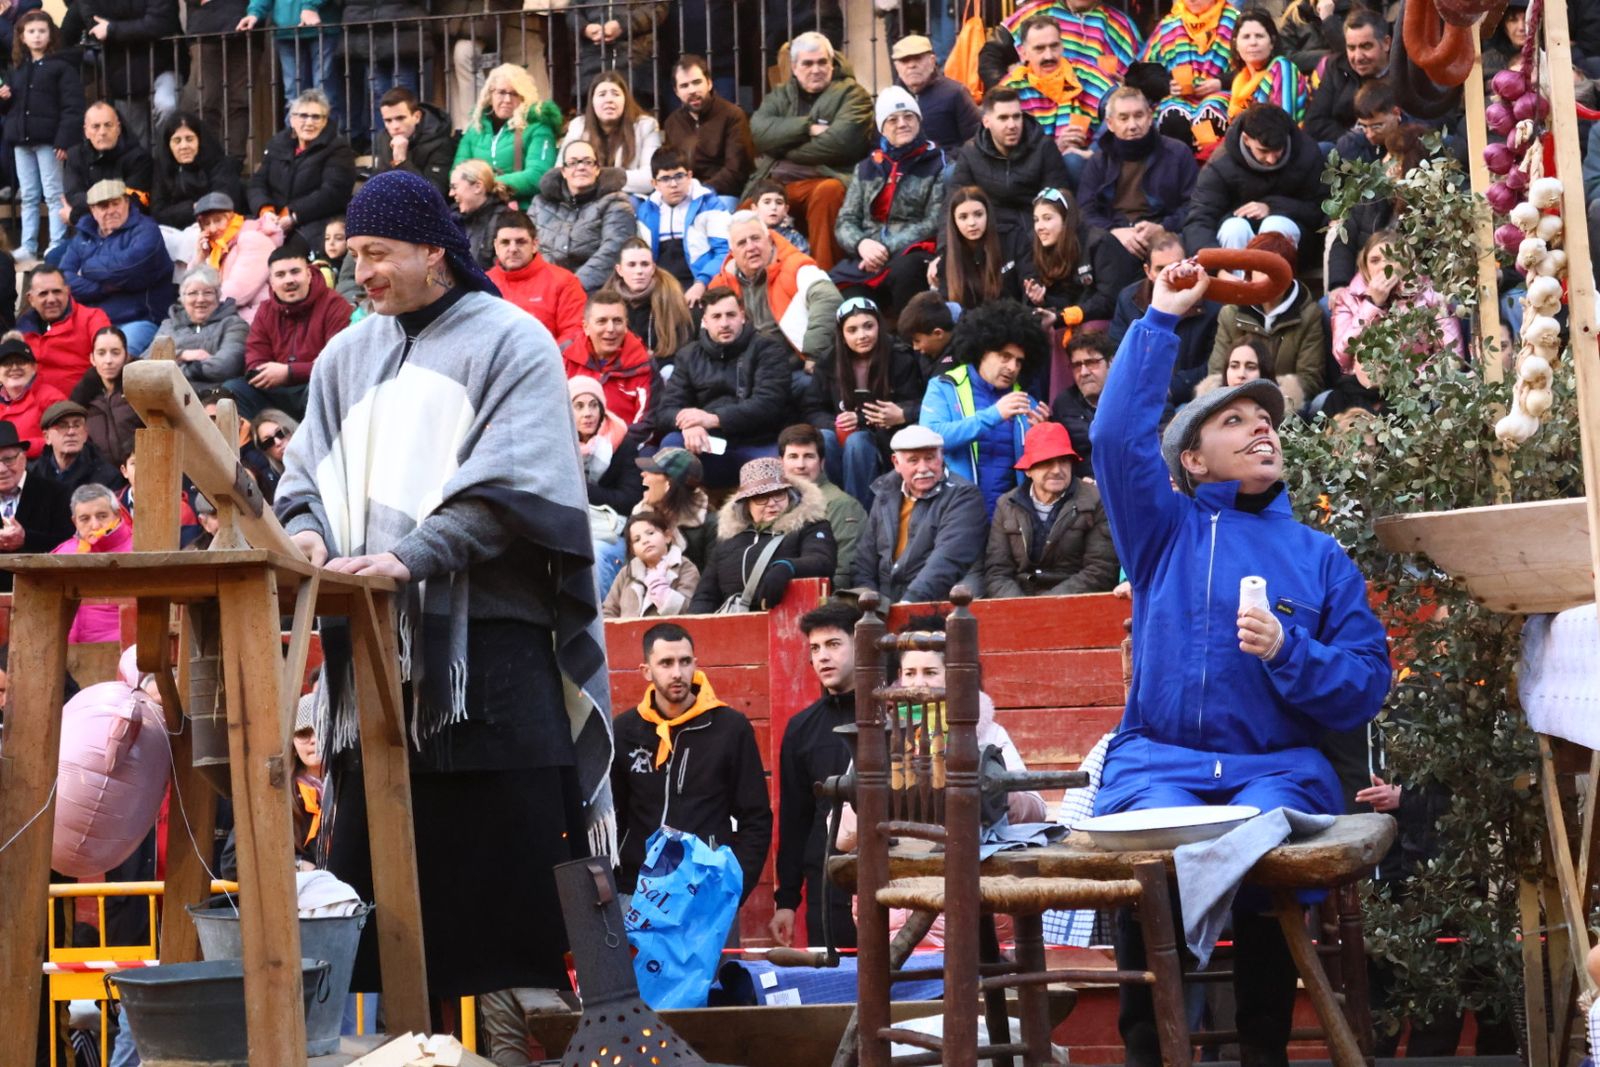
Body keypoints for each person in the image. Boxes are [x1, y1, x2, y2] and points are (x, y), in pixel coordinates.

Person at [273, 169, 616, 1003]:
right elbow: (302, 475)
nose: (363, 273)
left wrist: (411, 555)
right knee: (376, 928)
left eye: (379, 253)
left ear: (436, 251)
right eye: (354, 255)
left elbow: (516, 483)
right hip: (371, 676)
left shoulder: (513, 339)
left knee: (514, 933)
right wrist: (308, 533)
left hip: (491, 674)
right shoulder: (344, 355)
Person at [1088, 258, 1390, 1067]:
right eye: (1233, 420)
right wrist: (1159, 319)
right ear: (1192, 460)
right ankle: (1148, 1052)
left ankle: (1265, 1053)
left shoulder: (1320, 555)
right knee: (1142, 859)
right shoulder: (1163, 530)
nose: (1261, 425)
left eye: (1266, 417)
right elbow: (1115, 436)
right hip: (1159, 763)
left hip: (1275, 771)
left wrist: (1292, 653)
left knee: (1262, 847)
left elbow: (1366, 683)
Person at [612, 624, 771, 906]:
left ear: (695, 664)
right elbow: (613, 816)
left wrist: (733, 889)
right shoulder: (623, 731)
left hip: (706, 893)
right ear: (646, 671)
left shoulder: (730, 728)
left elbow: (755, 817)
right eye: (666, 663)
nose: (677, 673)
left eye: (685, 662)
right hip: (635, 891)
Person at [770, 600, 863, 949]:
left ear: (861, 643)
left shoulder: (892, 714)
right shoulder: (801, 729)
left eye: (834, 645)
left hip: (892, 880)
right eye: (815, 648)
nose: (822, 657)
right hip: (827, 885)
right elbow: (795, 819)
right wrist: (787, 901)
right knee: (835, 990)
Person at [745, 31, 874, 271]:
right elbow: (760, 133)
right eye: (807, 63)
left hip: (827, 177)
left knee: (828, 193)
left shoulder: (853, 95)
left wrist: (783, 147)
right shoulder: (781, 95)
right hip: (777, 182)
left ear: (832, 64)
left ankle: (823, 279)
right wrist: (806, 127)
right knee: (744, 212)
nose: (816, 69)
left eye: (822, 62)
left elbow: (842, 143)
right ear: (794, 67)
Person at [920, 299, 1051, 514]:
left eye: (1019, 361)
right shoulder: (944, 386)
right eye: (1005, 357)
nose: (1012, 367)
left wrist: (1042, 434)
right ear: (982, 351)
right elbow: (930, 439)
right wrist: (994, 414)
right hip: (956, 513)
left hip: (1010, 518)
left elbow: (1041, 468)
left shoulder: (1025, 400)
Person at [654, 286, 792, 485]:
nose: (725, 323)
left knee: (775, 469)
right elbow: (666, 411)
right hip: (708, 445)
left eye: (731, 315)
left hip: (758, 442)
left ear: (742, 316)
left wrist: (713, 419)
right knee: (672, 446)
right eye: (716, 317)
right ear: (704, 321)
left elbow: (769, 405)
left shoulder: (768, 349)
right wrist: (688, 425)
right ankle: (682, 514)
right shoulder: (689, 355)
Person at [830, 87, 946, 316]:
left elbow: (933, 221)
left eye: (909, 116)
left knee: (907, 271)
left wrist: (884, 248)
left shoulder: (937, 162)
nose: (902, 123)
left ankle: (910, 341)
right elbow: (845, 220)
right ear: (882, 128)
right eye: (892, 120)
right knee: (847, 299)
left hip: (912, 250)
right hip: (867, 256)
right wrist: (862, 245)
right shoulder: (866, 167)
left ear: (919, 120)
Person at [804, 296, 925, 508]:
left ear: (880, 325)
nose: (862, 335)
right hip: (841, 434)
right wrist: (837, 423)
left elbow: (917, 402)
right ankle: (832, 509)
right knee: (824, 437)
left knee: (857, 442)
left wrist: (896, 414)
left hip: (884, 438)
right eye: (852, 330)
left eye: (868, 326)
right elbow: (813, 407)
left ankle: (858, 513)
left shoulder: (900, 356)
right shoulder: (829, 361)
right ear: (841, 335)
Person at [854, 424, 988, 603]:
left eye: (930, 458)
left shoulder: (964, 495)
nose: (923, 468)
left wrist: (908, 602)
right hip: (883, 605)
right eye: (913, 460)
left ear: (942, 457)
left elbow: (946, 560)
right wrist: (869, 602)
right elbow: (865, 558)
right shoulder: (885, 492)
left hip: (936, 602)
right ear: (896, 463)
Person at [984, 419, 1117, 597]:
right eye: (1046, 462)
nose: (1056, 470)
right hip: (1018, 604)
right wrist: (1020, 608)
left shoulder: (1096, 500)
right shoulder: (1006, 505)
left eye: (1063, 461)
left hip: (1076, 603)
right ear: (1028, 470)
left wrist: (1047, 605)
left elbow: (1100, 570)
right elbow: (997, 572)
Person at [689, 457, 836, 612]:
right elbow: (705, 595)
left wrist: (787, 567)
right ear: (746, 505)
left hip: (791, 620)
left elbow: (822, 561)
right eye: (761, 497)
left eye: (778, 493)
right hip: (736, 626)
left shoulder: (811, 526)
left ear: (789, 495)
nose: (771, 503)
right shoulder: (728, 540)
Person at [1077, 87, 1199, 273]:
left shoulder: (1178, 153)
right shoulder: (1099, 161)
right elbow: (1084, 211)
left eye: (1138, 115)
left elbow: (1194, 204)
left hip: (1165, 233)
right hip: (1116, 234)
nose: (1133, 125)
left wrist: (1162, 227)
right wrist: (1114, 232)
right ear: (1110, 123)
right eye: (1124, 118)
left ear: (1150, 117)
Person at [227, 243, 353, 419]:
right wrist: (265, 372)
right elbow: (255, 357)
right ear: (271, 281)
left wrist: (289, 373)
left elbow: (336, 364)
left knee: (323, 388)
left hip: (314, 385)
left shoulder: (335, 305)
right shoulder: (265, 310)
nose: (289, 280)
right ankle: (263, 443)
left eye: (295, 272)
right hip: (276, 391)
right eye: (280, 275)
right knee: (231, 392)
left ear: (308, 274)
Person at [1182, 103, 1326, 253]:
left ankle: (1274, 276)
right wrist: (1216, 268)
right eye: (1263, 151)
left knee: (1275, 226)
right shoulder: (1220, 164)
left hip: (1294, 233)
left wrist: (1272, 207)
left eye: (1277, 150)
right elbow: (1200, 220)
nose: (1271, 160)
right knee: (1234, 228)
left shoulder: (1307, 153)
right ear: (1246, 139)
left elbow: (1320, 209)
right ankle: (1231, 275)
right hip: (1234, 231)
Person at [1, 11, 84, 266]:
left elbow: (72, 107)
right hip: (22, 141)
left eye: (42, 31)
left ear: (51, 35)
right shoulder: (18, 70)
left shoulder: (61, 67)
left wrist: (63, 140)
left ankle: (56, 242)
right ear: (22, 37)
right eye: (31, 32)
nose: (37, 36)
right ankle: (28, 245)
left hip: (49, 141)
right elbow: (12, 109)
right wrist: (4, 98)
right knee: (28, 194)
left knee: (53, 193)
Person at [60, 178, 176, 356]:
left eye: (116, 203)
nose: (111, 211)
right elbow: (64, 280)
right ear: (92, 210)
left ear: (127, 202)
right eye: (103, 206)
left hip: (138, 319)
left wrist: (87, 269)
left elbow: (129, 268)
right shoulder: (83, 235)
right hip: (91, 321)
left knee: (114, 362)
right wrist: (103, 287)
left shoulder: (146, 230)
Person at [1206, 232, 1330, 398]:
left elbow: (1310, 379)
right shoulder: (1231, 313)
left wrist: (1267, 396)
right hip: (1233, 399)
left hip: (1286, 403)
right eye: (1262, 269)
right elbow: (1217, 372)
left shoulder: (1309, 314)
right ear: (1249, 272)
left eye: (1276, 270)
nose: (1271, 277)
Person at [710, 211, 843, 363]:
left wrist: (814, 354)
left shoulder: (796, 266)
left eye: (755, 238)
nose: (751, 247)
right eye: (742, 243)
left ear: (769, 239)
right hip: (746, 371)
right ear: (732, 252)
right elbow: (706, 331)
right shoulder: (721, 284)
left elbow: (829, 299)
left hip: (796, 367)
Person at [1108, 231, 1220, 407]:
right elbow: (1117, 352)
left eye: (1175, 265)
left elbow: (1215, 365)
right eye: (1161, 269)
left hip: (1191, 398)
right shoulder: (1129, 299)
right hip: (1139, 395)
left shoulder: (1212, 304)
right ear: (1148, 271)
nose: (1170, 274)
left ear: (1189, 263)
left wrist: (1171, 388)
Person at [948, 88, 1072, 248]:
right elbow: (952, 204)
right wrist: (943, 251)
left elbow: (1057, 201)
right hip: (992, 233)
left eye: (1016, 116)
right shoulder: (971, 152)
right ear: (987, 122)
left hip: (1035, 230)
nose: (1012, 125)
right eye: (1003, 118)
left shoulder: (1043, 147)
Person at [1330, 229, 1463, 373]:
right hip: (1363, 385)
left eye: (1392, 258)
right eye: (1375, 261)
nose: (1383, 266)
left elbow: (1454, 358)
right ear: (1365, 267)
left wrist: (1408, 377)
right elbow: (1342, 357)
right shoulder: (1347, 298)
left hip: (1419, 385)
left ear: (1406, 264)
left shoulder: (1431, 294)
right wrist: (1372, 305)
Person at [247, 89, 357, 253]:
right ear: (292, 120)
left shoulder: (338, 148)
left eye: (316, 117)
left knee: (285, 253)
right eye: (303, 116)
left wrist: (293, 214)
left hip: (315, 221)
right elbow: (257, 183)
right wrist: (265, 210)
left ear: (325, 121)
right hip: (274, 218)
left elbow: (333, 192)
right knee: (245, 242)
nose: (309, 122)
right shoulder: (278, 144)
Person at [997, 15, 1107, 179]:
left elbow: (1120, 106)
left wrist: (1094, 149)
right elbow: (998, 146)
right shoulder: (1011, 88)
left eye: (1054, 46)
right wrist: (1053, 147)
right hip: (1026, 171)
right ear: (1023, 53)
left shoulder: (1085, 74)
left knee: (1073, 161)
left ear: (1062, 46)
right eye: (1040, 48)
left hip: (1082, 167)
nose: (1049, 56)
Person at [453, 63, 565, 208]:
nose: (507, 100)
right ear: (490, 94)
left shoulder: (538, 127)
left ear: (524, 97)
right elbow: (457, 172)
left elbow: (539, 175)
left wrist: (488, 186)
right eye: (501, 92)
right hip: (478, 211)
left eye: (514, 93)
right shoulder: (475, 129)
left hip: (521, 212)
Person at [532, 140, 638, 292]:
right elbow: (530, 248)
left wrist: (571, 287)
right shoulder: (540, 203)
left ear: (597, 169)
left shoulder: (616, 202)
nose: (581, 167)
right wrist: (547, 284)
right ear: (563, 171)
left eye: (588, 162)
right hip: (544, 287)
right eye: (573, 162)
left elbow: (613, 250)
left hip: (595, 291)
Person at [570, 373, 643, 594]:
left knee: (597, 554)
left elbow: (629, 499)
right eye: (579, 406)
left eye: (593, 405)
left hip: (610, 532)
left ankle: (601, 623)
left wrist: (584, 490)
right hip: (569, 527)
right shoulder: (557, 444)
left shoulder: (622, 442)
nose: (587, 414)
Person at [1016, 187, 1126, 332]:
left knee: (1085, 331)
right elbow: (1068, 300)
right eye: (1036, 220)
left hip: (1113, 319)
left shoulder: (1099, 242)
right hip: (1075, 316)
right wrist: (1042, 300)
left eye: (1047, 218)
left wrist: (1063, 317)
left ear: (1066, 219)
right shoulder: (1040, 248)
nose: (1039, 227)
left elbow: (1108, 300)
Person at [632, 145, 730, 302]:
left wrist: (701, 283)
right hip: (660, 286)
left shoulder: (709, 204)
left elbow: (725, 251)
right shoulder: (645, 211)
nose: (673, 184)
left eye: (679, 176)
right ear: (654, 183)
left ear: (689, 176)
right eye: (665, 179)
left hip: (700, 282)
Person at [1138, 0, 1239, 148]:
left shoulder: (1235, 22)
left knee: (1209, 114)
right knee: (1174, 117)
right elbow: (1144, 71)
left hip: (1222, 96)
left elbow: (1254, 68)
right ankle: (1180, 165)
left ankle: (1208, 164)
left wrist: (1221, 82)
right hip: (1178, 98)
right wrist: (1166, 85)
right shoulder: (1169, 24)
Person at [778, 422, 866, 592]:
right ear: (781, 462)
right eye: (793, 456)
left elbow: (845, 572)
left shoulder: (842, 505)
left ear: (822, 462)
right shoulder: (772, 503)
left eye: (809, 456)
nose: (800, 465)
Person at [662, 54, 756, 200]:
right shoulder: (672, 123)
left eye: (697, 82)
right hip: (684, 196)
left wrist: (700, 191)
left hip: (723, 194)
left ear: (709, 83)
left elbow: (736, 171)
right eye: (684, 86)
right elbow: (671, 168)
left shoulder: (733, 115)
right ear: (676, 92)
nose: (692, 90)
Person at [487, 212, 587, 346]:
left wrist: (544, 360)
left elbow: (575, 332)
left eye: (520, 242)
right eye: (505, 242)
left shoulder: (564, 281)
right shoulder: (483, 284)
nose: (513, 249)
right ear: (496, 247)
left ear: (535, 245)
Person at [236, 0, 339, 129]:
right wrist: (254, 13)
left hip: (319, 27)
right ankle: (294, 141)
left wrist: (310, 6)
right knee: (294, 94)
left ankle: (327, 141)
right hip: (288, 32)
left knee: (322, 91)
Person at [52, 482, 134, 643]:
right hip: (64, 650)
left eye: (102, 516)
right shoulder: (62, 554)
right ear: (75, 522)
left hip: (121, 650)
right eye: (85, 519)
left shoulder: (138, 549)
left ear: (117, 514)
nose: (95, 525)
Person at [561, 72, 664, 198]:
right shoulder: (578, 127)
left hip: (628, 199)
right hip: (586, 198)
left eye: (615, 94)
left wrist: (595, 178)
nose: (609, 99)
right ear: (592, 101)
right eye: (602, 94)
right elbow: (560, 171)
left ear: (625, 99)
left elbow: (650, 178)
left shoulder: (646, 126)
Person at [188, 192, 284, 323]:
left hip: (254, 320)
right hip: (227, 317)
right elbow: (189, 288)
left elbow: (237, 292)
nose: (213, 228)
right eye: (206, 223)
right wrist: (200, 259)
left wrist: (200, 305)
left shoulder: (252, 237)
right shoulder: (216, 249)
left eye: (218, 220)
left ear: (231, 218)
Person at [563, 289, 654, 426]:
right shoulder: (564, 358)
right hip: (571, 444)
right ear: (586, 327)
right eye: (602, 321)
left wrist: (610, 445)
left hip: (627, 444)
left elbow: (647, 423)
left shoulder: (644, 364)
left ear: (625, 326)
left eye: (617, 321)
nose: (611, 329)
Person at [18, 267, 113, 397]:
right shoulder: (20, 331)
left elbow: (109, 354)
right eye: (43, 294)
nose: (51, 299)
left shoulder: (92, 318)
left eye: (57, 292)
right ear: (31, 299)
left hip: (80, 408)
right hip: (30, 408)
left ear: (67, 291)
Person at [61, 100, 153, 233]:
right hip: (89, 234)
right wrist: (108, 203)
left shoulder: (139, 159)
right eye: (96, 126)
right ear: (86, 131)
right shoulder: (75, 156)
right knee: (53, 255)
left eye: (108, 125)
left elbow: (130, 207)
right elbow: (74, 196)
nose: (102, 132)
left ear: (118, 128)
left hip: (129, 234)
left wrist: (74, 216)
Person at [1304, 9, 1392, 145]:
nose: (1358, 57)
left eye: (1366, 46)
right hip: (1344, 149)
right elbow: (1314, 122)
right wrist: (1356, 139)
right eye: (1351, 48)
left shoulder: (1403, 72)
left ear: (1386, 43)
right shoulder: (1336, 67)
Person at [154, 267, 251, 387]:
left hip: (211, 395)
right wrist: (182, 354)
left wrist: (171, 367)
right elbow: (147, 362)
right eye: (193, 293)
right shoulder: (169, 325)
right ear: (182, 299)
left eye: (208, 293)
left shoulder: (234, 325)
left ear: (217, 296)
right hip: (168, 393)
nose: (200, 299)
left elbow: (225, 366)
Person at [932, 186, 1022, 312]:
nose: (972, 223)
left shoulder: (1013, 239)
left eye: (978, 214)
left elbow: (1027, 282)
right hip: (968, 327)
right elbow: (948, 307)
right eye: (963, 217)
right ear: (954, 222)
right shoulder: (948, 258)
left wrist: (1036, 294)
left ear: (988, 214)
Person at [888, 34, 981, 152]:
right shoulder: (891, 99)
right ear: (897, 67)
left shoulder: (955, 93)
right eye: (905, 60)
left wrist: (949, 162)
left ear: (932, 61)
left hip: (948, 166)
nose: (911, 65)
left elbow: (976, 140)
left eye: (918, 58)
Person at [151, 112, 245, 230]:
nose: (184, 146)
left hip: (215, 229)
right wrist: (192, 208)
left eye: (189, 139)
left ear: (200, 140)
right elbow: (158, 213)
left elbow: (223, 203)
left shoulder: (221, 165)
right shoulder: (163, 169)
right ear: (168, 145)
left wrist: (197, 208)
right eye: (177, 141)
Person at [602, 510, 701, 619]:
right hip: (627, 634)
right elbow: (609, 611)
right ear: (633, 550)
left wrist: (662, 593)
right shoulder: (626, 573)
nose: (645, 541)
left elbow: (690, 609)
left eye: (650, 533)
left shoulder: (685, 567)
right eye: (637, 539)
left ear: (667, 536)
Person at [633, 446, 715, 573]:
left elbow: (711, 582)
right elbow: (629, 576)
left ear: (669, 484)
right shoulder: (640, 517)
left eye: (653, 471)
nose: (643, 474)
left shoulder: (712, 526)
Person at [612, 238, 695, 362]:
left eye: (645, 264)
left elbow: (683, 348)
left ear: (653, 268)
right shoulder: (608, 303)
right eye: (631, 265)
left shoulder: (672, 299)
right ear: (619, 270)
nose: (639, 271)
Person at [69, 326, 142, 465]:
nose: (108, 360)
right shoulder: (83, 396)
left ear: (126, 356)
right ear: (92, 358)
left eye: (115, 353)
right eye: (101, 353)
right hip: (103, 477)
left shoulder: (142, 388)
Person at [1049, 328, 1114, 480]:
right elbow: (1061, 458)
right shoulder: (1063, 404)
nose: (1084, 372)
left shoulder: (1134, 398)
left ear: (1111, 362)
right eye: (1077, 365)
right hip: (1084, 492)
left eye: (1091, 363)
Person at [1228, 9, 1309, 123]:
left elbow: (1284, 122)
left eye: (1259, 36)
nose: (1253, 42)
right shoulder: (1241, 81)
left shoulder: (1283, 68)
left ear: (1272, 42)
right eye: (1246, 37)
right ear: (1236, 44)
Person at [374, 86, 455, 196]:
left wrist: (402, 162)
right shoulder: (384, 138)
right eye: (388, 120)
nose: (395, 126)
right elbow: (378, 181)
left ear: (416, 116)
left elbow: (433, 193)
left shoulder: (440, 142)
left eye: (400, 118)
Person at [1196, 336, 1308, 412]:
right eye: (1234, 366)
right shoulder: (1201, 414)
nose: (1241, 374)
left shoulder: (1288, 421)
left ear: (1264, 373)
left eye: (1251, 367)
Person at [31, 400, 121, 493]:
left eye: (77, 425)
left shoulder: (106, 476)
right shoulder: (33, 476)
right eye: (62, 426)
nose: (71, 432)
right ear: (47, 437)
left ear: (85, 433)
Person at [0, 338, 67, 457]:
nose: (14, 367)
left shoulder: (51, 398)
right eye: (7, 363)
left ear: (34, 367)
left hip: (39, 467)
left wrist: (20, 447)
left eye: (21, 361)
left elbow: (64, 437)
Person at [448, 159, 512, 270]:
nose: (451, 193)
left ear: (478, 187)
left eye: (455, 187)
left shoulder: (505, 220)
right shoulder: (452, 219)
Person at [290, 693, 324, 868]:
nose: (313, 740)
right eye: (303, 733)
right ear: (293, 746)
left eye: (320, 729)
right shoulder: (281, 794)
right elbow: (232, 862)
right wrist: (297, 865)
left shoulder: (350, 789)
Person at [898, 291, 958, 382]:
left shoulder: (958, 363)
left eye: (917, 341)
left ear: (938, 333)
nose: (915, 347)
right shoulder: (928, 354)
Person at [247, 408, 297, 504]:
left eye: (280, 433)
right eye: (268, 442)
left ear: (290, 428)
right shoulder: (284, 488)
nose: (277, 442)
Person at [749, 180, 811, 255]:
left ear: (786, 209)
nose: (773, 207)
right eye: (767, 202)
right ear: (754, 208)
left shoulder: (795, 239)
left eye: (779, 203)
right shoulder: (747, 236)